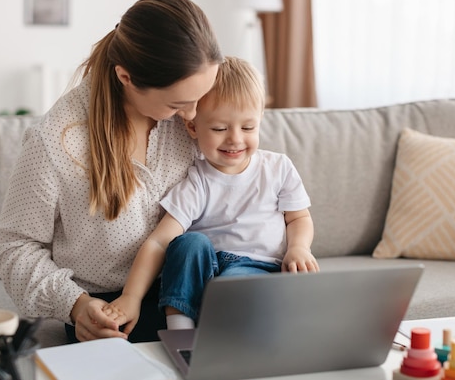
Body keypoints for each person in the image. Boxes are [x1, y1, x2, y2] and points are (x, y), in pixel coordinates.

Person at [0, 0, 223, 343]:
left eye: (201, 98)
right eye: (179, 103)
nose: (194, 116)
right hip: (110, 311)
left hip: (191, 282)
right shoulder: (55, 141)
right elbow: (16, 248)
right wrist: (75, 305)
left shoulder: (191, 121)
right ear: (126, 76)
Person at [102, 56, 319, 336]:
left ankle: (224, 330)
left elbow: (299, 217)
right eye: (219, 129)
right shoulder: (197, 180)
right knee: (188, 242)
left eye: (248, 127)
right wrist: (131, 297)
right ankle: (181, 333)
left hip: (257, 270)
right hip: (206, 272)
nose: (235, 139)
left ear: (261, 120)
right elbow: (159, 241)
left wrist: (298, 248)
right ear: (193, 127)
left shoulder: (278, 167)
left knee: (235, 284)